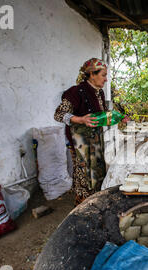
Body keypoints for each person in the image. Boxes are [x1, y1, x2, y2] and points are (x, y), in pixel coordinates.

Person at [54, 58, 128, 205]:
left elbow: (100, 115)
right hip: (80, 143)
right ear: (92, 75)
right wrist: (80, 119)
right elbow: (59, 114)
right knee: (84, 176)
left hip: (96, 139)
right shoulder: (75, 92)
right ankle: (81, 208)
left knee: (97, 173)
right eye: (103, 75)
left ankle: (94, 203)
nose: (106, 79)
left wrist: (118, 117)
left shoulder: (99, 93)